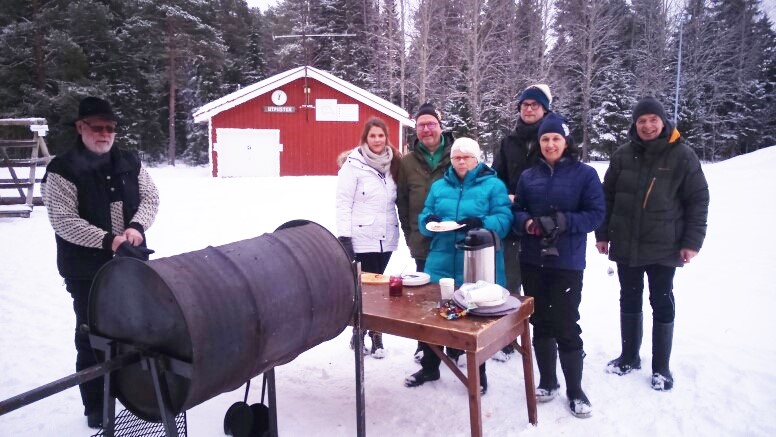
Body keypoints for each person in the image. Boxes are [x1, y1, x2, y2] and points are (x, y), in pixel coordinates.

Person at [41, 96, 160, 429]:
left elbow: (151, 198)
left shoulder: (129, 161)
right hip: (85, 270)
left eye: (110, 128)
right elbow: (62, 220)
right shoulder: (61, 169)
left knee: (134, 330)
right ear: (81, 128)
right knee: (92, 336)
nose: (104, 133)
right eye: (97, 127)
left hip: (130, 264)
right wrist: (109, 240)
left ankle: (135, 395)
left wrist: (136, 227)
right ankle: (96, 404)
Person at [595, 96, 709, 392]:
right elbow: (607, 198)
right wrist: (603, 234)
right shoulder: (622, 155)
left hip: (664, 245)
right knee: (629, 297)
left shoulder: (682, 155)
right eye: (641, 120)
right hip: (627, 243)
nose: (647, 125)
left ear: (663, 121)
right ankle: (630, 356)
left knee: (661, 300)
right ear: (635, 123)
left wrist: (692, 242)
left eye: (652, 120)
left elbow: (698, 200)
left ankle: (661, 367)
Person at [512, 112, 605, 418]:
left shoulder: (585, 174)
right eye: (545, 139)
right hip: (533, 259)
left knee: (566, 323)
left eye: (556, 139)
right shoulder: (529, 176)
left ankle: (575, 389)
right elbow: (517, 210)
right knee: (540, 321)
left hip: (567, 261)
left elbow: (596, 214)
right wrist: (526, 223)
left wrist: (563, 221)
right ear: (538, 143)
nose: (550, 144)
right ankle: (548, 380)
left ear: (566, 141)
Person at [404, 137, 513, 395]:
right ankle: (430, 366)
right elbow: (424, 217)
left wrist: (481, 222)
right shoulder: (439, 186)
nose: (461, 160)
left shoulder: (493, 185)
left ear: (477, 159)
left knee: (475, 320)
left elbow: (504, 219)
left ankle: (478, 372)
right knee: (433, 314)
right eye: (456, 157)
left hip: (477, 261)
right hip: (440, 259)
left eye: (466, 156)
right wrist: (428, 221)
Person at [491, 83, 553, 362]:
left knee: (541, 282)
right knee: (511, 280)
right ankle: (508, 336)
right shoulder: (508, 141)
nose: (529, 109)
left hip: (545, 221)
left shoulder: (552, 138)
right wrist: (506, 195)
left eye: (535, 105)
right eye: (525, 105)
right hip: (513, 219)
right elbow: (496, 177)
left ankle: (543, 334)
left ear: (545, 109)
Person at [336, 117, 401, 359]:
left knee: (380, 289)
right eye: (372, 136)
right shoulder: (353, 166)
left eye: (381, 135)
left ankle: (377, 334)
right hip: (361, 237)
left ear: (386, 138)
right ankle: (359, 334)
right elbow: (342, 203)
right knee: (363, 290)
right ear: (365, 138)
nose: (377, 140)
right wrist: (344, 237)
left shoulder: (394, 163)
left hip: (387, 237)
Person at [396, 102, 454, 362]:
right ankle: (427, 348)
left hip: (454, 239)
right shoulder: (406, 162)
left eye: (431, 123)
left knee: (453, 293)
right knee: (423, 298)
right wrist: (411, 237)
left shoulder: (457, 154)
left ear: (441, 126)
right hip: (422, 240)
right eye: (421, 125)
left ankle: (455, 344)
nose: (426, 129)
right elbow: (403, 202)